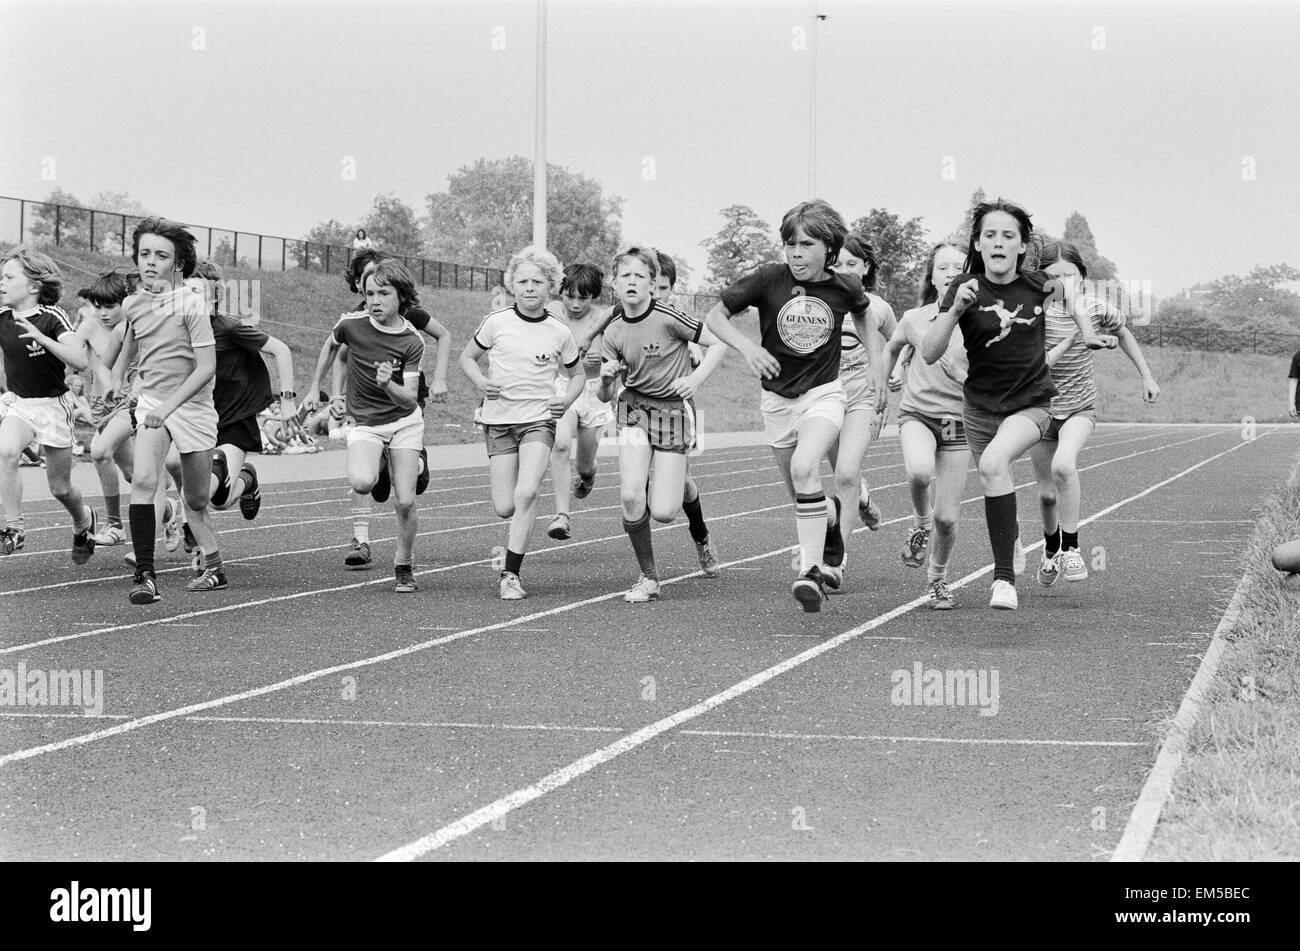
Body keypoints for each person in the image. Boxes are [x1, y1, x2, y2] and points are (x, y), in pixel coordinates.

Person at [921, 200, 1112, 611]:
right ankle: (1013, 542)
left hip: (1031, 404)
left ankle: (1003, 580)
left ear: (1022, 247)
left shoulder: (1038, 283)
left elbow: (1075, 298)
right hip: (979, 410)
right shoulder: (964, 288)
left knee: (993, 465)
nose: (999, 243)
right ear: (978, 242)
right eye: (990, 235)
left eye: (1009, 236)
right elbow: (930, 351)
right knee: (996, 476)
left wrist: (1087, 332)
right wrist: (955, 310)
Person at [704, 199, 884, 612]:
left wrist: (876, 369)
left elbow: (864, 316)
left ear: (829, 248)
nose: (796, 253)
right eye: (790, 244)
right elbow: (716, 316)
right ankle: (834, 520)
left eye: (806, 245)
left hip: (823, 395)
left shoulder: (845, 286)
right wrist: (748, 347)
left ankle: (810, 572)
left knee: (807, 468)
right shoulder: (768, 279)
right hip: (776, 402)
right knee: (802, 493)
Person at [306, 249, 450, 569]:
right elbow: (337, 353)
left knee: (408, 495)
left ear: (398, 291)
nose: (375, 296)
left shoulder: (412, 324)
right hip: (366, 413)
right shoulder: (353, 323)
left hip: (403, 404)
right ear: (359, 285)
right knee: (363, 480)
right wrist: (332, 394)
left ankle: (403, 560)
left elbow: (442, 337)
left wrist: (437, 379)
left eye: (384, 289)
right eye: (369, 288)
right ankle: (362, 536)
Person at [598, 247, 727, 602]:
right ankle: (649, 578)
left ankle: (700, 536)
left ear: (653, 284)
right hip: (635, 409)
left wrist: (695, 380)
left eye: (640, 276)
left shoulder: (670, 317)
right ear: (615, 283)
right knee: (629, 494)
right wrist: (607, 380)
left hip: (671, 412)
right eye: (626, 276)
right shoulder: (612, 332)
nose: (632, 282)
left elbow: (717, 344)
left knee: (665, 511)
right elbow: (603, 395)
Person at [459, 246, 583, 600]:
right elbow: (467, 358)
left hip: (538, 422)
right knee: (506, 506)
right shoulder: (496, 322)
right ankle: (510, 544)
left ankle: (511, 574)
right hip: (499, 423)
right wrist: (482, 383)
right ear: (512, 285)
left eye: (538, 281)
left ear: (550, 287)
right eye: (523, 281)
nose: (530, 287)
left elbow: (576, 376)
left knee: (527, 491)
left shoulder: (559, 331)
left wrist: (567, 399)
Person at [1032, 241, 1159, 586]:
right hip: (1039, 411)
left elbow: (1124, 333)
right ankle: (1050, 547)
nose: (1062, 281)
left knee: (1063, 466)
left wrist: (1146, 376)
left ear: (1083, 277)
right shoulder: (1032, 313)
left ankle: (1071, 548)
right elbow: (1036, 366)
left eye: (1069, 275)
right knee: (1046, 495)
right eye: (1053, 276)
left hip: (1079, 409)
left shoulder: (1096, 308)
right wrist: (1077, 335)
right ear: (1041, 279)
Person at [114, 218, 225, 602]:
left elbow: (207, 367)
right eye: (144, 254)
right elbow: (132, 342)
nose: (150, 262)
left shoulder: (192, 304)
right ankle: (145, 576)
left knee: (196, 501)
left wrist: (169, 405)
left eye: (160, 256)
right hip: (152, 406)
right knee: (145, 479)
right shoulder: (133, 304)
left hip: (192, 408)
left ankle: (214, 565)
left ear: (177, 264)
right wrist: (118, 377)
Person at [166, 260, 299, 536]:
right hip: (198, 420)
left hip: (233, 422)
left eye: (197, 292)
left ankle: (230, 488)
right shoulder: (177, 332)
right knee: (214, 496)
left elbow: (282, 350)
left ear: (214, 296)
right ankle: (239, 483)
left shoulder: (230, 327)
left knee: (218, 491)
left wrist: (287, 401)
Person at [877, 243, 970, 609]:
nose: (949, 272)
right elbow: (890, 349)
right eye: (942, 267)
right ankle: (919, 522)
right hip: (917, 414)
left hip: (959, 422)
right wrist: (883, 387)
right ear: (931, 277)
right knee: (918, 473)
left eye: (958, 266)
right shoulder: (914, 317)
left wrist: (963, 376)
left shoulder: (982, 324)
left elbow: (995, 379)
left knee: (947, 517)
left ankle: (937, 579)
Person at [0, 246, 99, 560]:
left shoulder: (51, 317)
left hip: (53, 407)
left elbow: (80, 360)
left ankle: (83, 520)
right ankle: (13, 528)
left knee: (60, 488)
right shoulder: (2, 317)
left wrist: (42, 339)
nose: (1, 282)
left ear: (33, 286)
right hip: (19, 405)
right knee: (6, 451)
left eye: (8, 277)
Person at [820, 235, 897, 589]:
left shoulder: (879, 308)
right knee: (841, 473)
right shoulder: (818, 304)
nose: (845, 270)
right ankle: (863, 498)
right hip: (824, 397)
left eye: (853, 263)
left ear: (866, 268)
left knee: (847, 473)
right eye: (838, 264)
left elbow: (897, 345)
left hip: (862, 400)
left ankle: (838, 558)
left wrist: (889, 379)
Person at [543, 263, 613, 540]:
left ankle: (588, 476)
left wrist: (602, 362)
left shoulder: (604, 321)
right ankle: (562, 516)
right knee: (559, 445)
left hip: (595, 394)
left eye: (582, 298)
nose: (574, 304)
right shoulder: (553, 312)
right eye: (569, 296)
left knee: (584, 465)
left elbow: (616, 350)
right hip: (565, 387)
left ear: (593, 296)